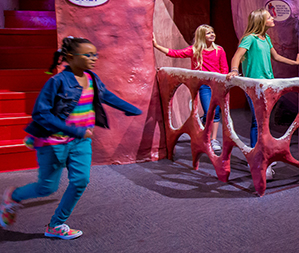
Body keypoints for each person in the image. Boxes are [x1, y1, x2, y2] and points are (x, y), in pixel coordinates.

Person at [1, 37, 141, 239]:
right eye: (88, 55)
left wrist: (130, 109)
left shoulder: (92, 78)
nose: (93, 58)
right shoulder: (57, 82)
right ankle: (13, 197)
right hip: (53, 142)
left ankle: (56, 225)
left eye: (95, 55)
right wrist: (74, 130)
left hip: (81, 142)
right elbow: (41, 114)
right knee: (46, 188)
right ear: (70, 57)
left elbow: (106, 95)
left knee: (81, 180)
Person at [226, 9, 299, 179]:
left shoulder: (266, 38)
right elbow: (237, 56)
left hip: (269, 84)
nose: (272, 18)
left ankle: (263, 153)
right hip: (254, 86)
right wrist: (233, 70)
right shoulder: (250, 38)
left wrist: (295, 62)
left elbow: (276, 57)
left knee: (265, 122)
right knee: (257, 121)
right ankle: (255, 156)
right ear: (261, 21)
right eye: (269, 17)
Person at [153, 25, 229, 155]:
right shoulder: (195, 50)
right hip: (204, 86)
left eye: (212, 32)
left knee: (215, 112)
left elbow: (224, 68)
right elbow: (175, 53)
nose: (212, 35)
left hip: (217, 85)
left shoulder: (219, 50)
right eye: (208, 33)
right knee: (208, 110)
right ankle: (205, 122)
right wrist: (157, 45)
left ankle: (214, 139)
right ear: (201, 36)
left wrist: (224, 83)